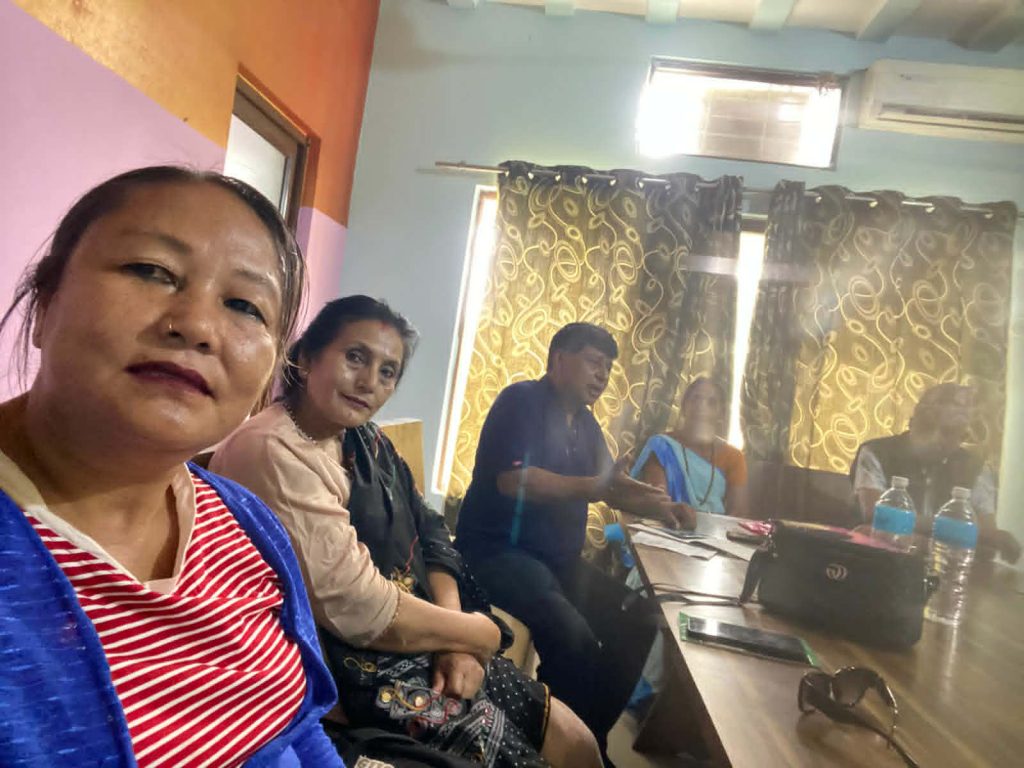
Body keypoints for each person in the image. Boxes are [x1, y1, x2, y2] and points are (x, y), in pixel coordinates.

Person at [0, 167, 341, 767]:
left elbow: (298, 727)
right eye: (151, 271)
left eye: (245, 306)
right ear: (47, 299)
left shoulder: (244, 524)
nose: (198, 326)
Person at [211, 295, 600, 768]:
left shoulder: (365, 438)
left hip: (419, 635)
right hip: (351, 668)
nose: (369, 382)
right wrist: (475, 633)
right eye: (355, 357)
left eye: (388, 371)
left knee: (578, 741)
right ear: (308, 357)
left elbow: (430, 528)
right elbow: (358, 608)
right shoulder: (274, 450)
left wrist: (457, 638)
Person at [454, 323, 692, 762]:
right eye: (594, 362)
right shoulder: (520, 401)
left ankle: (585, 744)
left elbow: (610, 485)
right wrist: (596, 485)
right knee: (574, 640)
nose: (602, 375)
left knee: (640, 619)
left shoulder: (584, 423)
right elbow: (514, 481)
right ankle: (559, 750)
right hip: (497, 552)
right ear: (559, 359)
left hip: (558, 562)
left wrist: (663, 506)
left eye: (608, 368)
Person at [851, 382, 1020, 562]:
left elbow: (986, 540)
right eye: (928, 426)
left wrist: (913, 535)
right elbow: (877, 519)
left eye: (949, 432)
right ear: (911, 423)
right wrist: (956, 533)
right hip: (880, 561)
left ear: (962, 436)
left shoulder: (976, 468)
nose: (935, 438)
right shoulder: (876, 452)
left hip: (947, 568)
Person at [632, 376, 749, 518]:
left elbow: (737, 511)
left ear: (721, 414)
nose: (702, 406)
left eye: (711, 402)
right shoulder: (663, 446)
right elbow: (658, 500)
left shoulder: (733, 457)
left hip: (714, 530)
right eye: (696, 399)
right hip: (667, 523)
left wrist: (713, 529)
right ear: (683, 407)